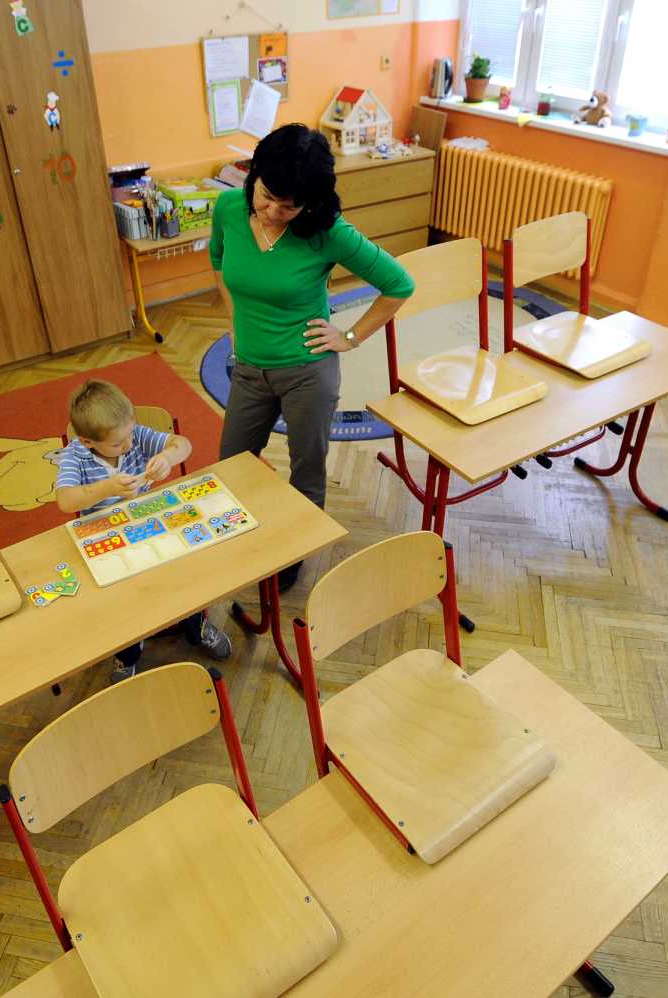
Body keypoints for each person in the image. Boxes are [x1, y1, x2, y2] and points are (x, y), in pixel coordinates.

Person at [212, 123, 415, 590]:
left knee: (307, 466)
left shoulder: (328, 233)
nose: (273, 212)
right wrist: (234, 325)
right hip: (248, 369)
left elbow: (398, 284)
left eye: (290, 205)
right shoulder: (227, 208)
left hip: (307, 372)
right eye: (266, 197)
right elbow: (219, 265)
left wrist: (349, 335)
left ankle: (295, 551)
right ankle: (235, 543)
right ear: (253, 175)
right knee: (231, 465)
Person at [55, 380, 231, 679]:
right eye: (117, 443)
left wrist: (168, 457)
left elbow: (183, 444)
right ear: (87, 441)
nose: (127, 445)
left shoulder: (134, 436)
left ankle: (195, 624)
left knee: (182, 575)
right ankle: (128, 651)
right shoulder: (75, 455)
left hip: (155, 524)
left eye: (130, 434)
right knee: (126, 601)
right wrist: (106, 488)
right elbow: (65, 499)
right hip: (107, 536)